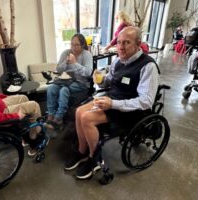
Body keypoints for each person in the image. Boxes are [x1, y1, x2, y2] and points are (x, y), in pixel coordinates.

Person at [64, 27, 160, 180]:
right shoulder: (118, 61)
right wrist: (100, 80)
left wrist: (113, 104)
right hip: (112, 100)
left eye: (126, 43)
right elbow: (108, 81)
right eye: (119, 42)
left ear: (138, 44)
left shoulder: (148, 66)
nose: (121, 47)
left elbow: (146, 101)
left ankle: (93, 159)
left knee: (87, 118)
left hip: (130, 110)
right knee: (79, 111)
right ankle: (81, 152)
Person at [45, 33, 93, 130]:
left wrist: (75, 63)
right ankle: (51, 115)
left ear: (83, 45)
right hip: (65, 81)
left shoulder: (87, 55)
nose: (73, 48)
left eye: (76, 45)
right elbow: (58, 69)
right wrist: (65, 62)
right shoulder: (66, 53)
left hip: (81, 83)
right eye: (72, 44)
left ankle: (59, 118)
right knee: (51, 88)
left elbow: (88, 72)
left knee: (64, 90)